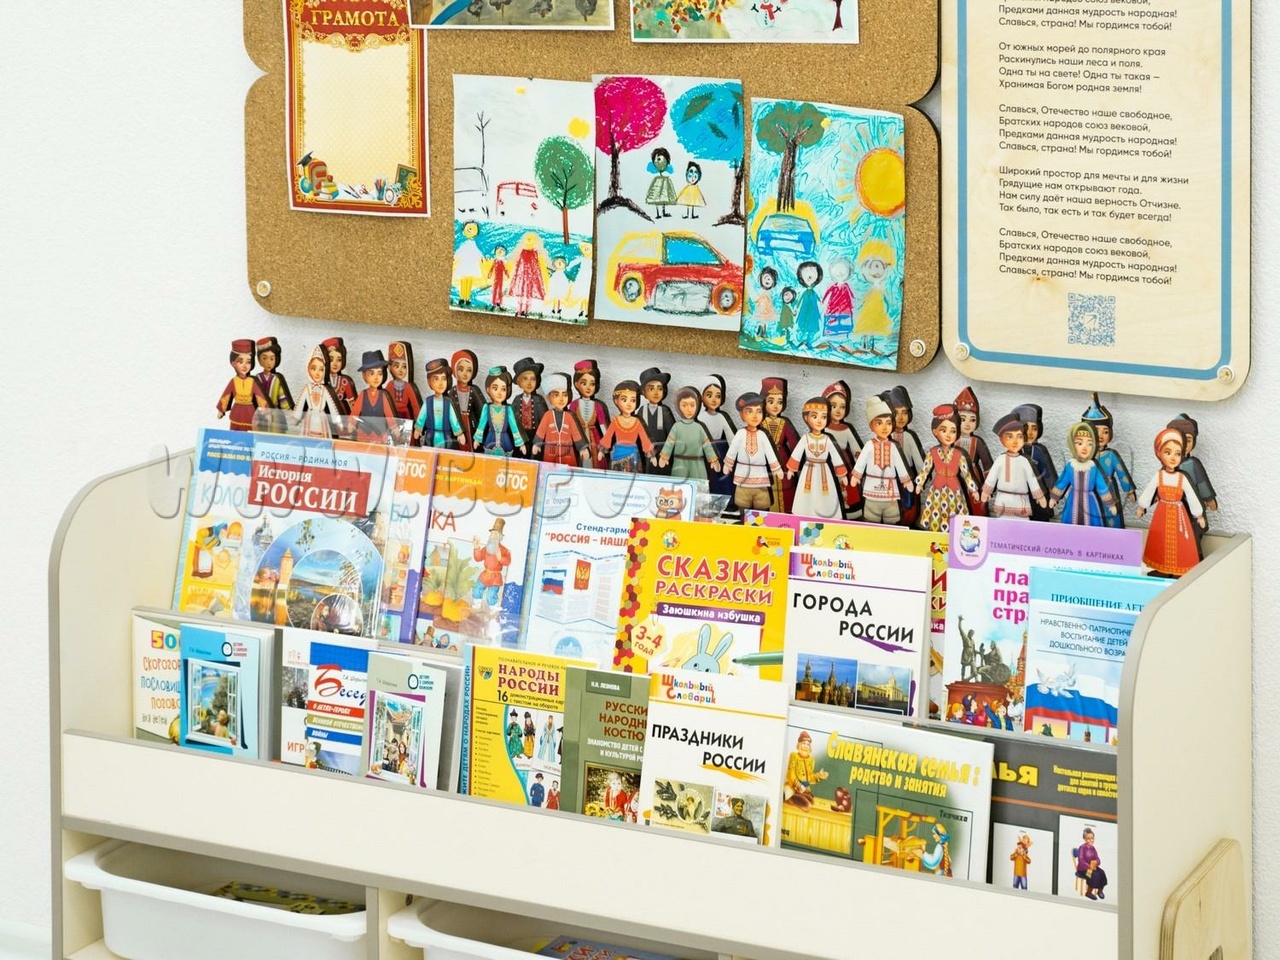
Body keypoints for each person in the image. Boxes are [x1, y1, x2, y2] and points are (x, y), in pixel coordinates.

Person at [1136, 427, 1206, 576]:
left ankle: (1178, 570)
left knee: (1180, 542)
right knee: (1161, 540)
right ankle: (1162, 569)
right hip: (1162, 514)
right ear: (1159, 454)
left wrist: (1198, 515)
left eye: (1177, 454)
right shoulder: (1159, 475)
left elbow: (1191, 495)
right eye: (1168, 453)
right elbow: (1149, 490)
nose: (1173, 458)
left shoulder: (1182, 478)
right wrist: (1142, 506)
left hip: (1179, 515)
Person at [915, 404, 981, 533]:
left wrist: (973, 490)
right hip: (936, 490)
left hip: (954, 491)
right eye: (943, 430)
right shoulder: (933, 452)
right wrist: (920, 483)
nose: (948, 435)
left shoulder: (959, 454)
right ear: (935, 431)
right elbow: (925, 470)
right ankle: (935, 534)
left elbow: (967, 474)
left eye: (953, 431)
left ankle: (954, 535)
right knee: (936, 513)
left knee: (955, 515)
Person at [850, 396, 914, 525]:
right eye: (879, 423)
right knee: (871, 516)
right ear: (871, 426)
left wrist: (906, 480)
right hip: (871, 487)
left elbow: (900, 465)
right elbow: (861, 461)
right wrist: (856, 476)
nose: (885, 427)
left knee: (892, 516)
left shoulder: (893, 446)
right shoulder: (869, 445)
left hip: (890, 491)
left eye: (888, 423)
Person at [786, 397, 848, 519]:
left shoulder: (827, 439)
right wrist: (791, 469)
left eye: (823, 417)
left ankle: (826, 516)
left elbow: (835, 456)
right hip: (808, 471)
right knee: (806, 494)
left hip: (824, 472)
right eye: (815, 417)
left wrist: (842, 475)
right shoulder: (805, 438)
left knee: (825, 495)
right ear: (806, 418)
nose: (819, 421)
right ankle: (805, 515)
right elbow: (797, 453)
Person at [1049, 421, 1119, 526]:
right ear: (1072, 445)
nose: (1084, 448)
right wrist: (1054, 497)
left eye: (1089, 443)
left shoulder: (1093, 467)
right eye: (1080, 443)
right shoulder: (1071, 466)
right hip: (1073, 500)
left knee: (1092, 523)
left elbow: (1102, 486)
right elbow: (1062, 482)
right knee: (1070, 522)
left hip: (1090, 502)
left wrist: (1110, 504)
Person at [1081, 392, 1135, 528]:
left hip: (1109, 490)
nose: (1100, 435)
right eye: (1095, 430)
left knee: (1110, 517)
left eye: (1105, 431)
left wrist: (1129, 490)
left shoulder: (1111, 455)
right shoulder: (1083, 455)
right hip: (1089, 490)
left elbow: (1122, 473)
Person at [723, 392, 783, 513]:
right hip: (742, 475)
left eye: (759, 411)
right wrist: (728, 464)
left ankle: (759, 523)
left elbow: (770, 453)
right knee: (742, 503)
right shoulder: (740, 433)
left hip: (761, 477)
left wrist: (776, 468)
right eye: (749, 411)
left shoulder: (762, 435)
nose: (755, 416)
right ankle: (744, 521)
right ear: (742, 415)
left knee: (762, 504)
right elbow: (733, 449)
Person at [981, 411, 1048, 520]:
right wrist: (986, 491)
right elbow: (992, 477)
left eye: (1019, 437)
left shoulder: (1024, 461)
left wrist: (1039, 496)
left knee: (1022, 523)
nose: (1015, 441)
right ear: (1002, 440)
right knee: (1002, 522)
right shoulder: (1000, 460)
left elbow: (1032, 480)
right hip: (1003, 500)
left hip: (1021, 501)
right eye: (1010, 437)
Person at [658, 387, 721, 480]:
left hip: (697, 463)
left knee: (698, 484)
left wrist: (713, 459)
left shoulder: (699, 427)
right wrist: (664, 456)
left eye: (692, 405)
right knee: (680, 484)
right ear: (678, 407)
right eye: (684, 405)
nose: (689, 409)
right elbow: (669, 443)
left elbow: (707, 445)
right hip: (680, 462)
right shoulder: (677, 427)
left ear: (697, 406)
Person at [761, 378, 800, 513]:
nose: (775, 406)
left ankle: (784, 514)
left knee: (786, 487)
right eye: (771, 402)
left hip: (782, 459)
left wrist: (795, 462)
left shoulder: (784, 423)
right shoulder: (760, 422)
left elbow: (794, 443)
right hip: (763, 460)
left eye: (780, 402)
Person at [532, 373, 589, 466]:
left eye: (564, 395)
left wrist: (582, 448)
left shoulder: (569, 416)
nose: (561, 399)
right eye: (556, 395)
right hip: (550, 452)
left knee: (568, 471)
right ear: (549, 398)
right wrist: (537, 444)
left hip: (567, 453)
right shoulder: (547, 415)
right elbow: (541, 431)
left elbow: (576, 433)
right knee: (550, 470)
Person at [600, 380, 655, 473]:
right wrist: (602, 451)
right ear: (616, 401)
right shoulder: (616, 420)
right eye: (624, 400)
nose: (629, 404)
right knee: (617, 474)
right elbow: (608, 437)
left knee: (632, 475)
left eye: (633, 400)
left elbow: (644, 439)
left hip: (632, 453)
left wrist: (651, 455)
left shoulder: (636, 421)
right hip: (618, 452)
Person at [1014, 403, 1056, 521]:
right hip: (1019, 493)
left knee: (1039, 518)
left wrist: (1053, 492)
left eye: (1035, 428)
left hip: (1039, 493)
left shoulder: (1039, 450)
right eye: (1026, 428)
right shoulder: (1014, 450)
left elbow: (1048, 473)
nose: (1030, 432)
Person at [472, 366, 527, 456]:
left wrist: (521, 444)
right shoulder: (487, 408)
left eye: (503, 389)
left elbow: (514, 427)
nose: (499, 393)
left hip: (505, 440)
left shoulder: (508, 409)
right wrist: (477, 439)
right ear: (488, 389)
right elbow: (481, 425)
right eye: (495, 388)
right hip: (490, 439)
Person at [216, 339, 268, 431]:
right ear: (233, 363)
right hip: (237, 411)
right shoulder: (234, 381)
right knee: (235, 432)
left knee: (250, 431)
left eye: (248, 362)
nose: (245, 366)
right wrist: (221, 410)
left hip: (250, 411)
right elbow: (226, 395)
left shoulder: (252, 381)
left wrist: (266, 412)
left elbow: (260, 398)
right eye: (240, 362)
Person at [348, 349, 399, 444]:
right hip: (364, 433)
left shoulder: (383, 396)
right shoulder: (362, 395)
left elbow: (389, 415)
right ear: (364, 376)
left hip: (380, 434)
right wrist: (351, 423)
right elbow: (355, 412)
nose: (376, 378)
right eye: (371, 373)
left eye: (379, 373)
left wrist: (394, 427)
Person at [699, 375, 737, 500]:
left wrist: (736, 451)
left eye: (718, 396)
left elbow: (730, 436)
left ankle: (725, 501)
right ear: (702, 397)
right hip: (704, 450)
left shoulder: (721, 417)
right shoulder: (700, 417)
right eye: (709, 395)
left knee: (722, 478)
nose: (714, 400)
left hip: (721, 450)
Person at [413, 358, 465, 449]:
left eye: (443, 379)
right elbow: (422, 416)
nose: (440, 383)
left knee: (446, 455)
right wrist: (418, 428)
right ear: (429, 382)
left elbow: (454, 419)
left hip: (446, 436)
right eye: (436, 379)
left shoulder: (448, 402)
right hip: (430, 435)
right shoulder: (428, 401)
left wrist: (459, 433)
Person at [293, 344, 343, 439]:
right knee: (307, 438)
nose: (317, 373)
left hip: (322, 418)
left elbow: (331, 406)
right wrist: (295, 418)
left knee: (322, 438)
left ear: (326, 371)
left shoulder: (325, 390)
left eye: (321, 369)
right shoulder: (307, 388)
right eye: (313, 368)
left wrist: (337, 421)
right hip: (309, 418)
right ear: (308, 369)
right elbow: (300, 405)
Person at [569, 360, 609, 466]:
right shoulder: (574, 404)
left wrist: (607, 443)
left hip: (595, 438)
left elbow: (603, 425)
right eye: (584, 383)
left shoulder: (598, 405)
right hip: (578, 438)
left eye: (592, 384)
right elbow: (571, 424)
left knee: (597, 463)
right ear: (576, 384)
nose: (588, 387)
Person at [638, 368, 675, 476]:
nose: (656, 393)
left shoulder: (665, 411)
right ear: (644, 392)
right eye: (651, 389)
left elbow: (672, 434)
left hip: (664, 453)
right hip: (646, 453)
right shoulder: (641, 411)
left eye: (659, 388)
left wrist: (667, 453)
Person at [954, 386, 993, 486]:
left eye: (972, 420)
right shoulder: (952, 440)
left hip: (973, 476)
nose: (967, 424)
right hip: (955, 476)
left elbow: (987, 464)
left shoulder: (977, 442)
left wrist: (988, 485)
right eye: (963, 419)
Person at [511, 357, 548, 456]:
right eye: (525, 379)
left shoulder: (538, 400)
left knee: (535, 455)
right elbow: (512, 419)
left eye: (533, 379)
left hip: (536, 435)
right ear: (519, 382)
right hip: (520, 435)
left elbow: (544, 420)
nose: (529, 383)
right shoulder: (517, 399)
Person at [472, 518, 511, 611]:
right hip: (485, 574)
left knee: (491, 594)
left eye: (495, 534)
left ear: (500, 537)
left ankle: (493, 607)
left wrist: (500, 557)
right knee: (477, 588)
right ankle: (477, 604)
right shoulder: (487, 548)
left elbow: (507, 562)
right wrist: (476, 547)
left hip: (495, 577)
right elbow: (478, 558)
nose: (492, 536)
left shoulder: (504, 550)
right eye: (492, 533)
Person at [447, 349, 482, 451]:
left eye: (469, 370)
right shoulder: (453, 391)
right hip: (457, 424)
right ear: (454, 370)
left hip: (471, 424)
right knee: (457, 447)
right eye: (461, 369)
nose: (465, 374)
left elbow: (481, 410)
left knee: (471, 447)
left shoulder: (474, 390)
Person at [783, 730, 827, 808]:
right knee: (804, 804)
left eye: (808, 744)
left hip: (805, 789)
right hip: (793, 787)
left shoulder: (811, 760)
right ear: (799, 745)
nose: (805, 746)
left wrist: (819, 776)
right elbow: (790, 775)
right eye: (803, 743)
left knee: (811, 801)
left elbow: (810, 778)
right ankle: (792, 798)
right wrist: (798, 785)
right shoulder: (794, 756)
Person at [385, 341, 422, 425]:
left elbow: (415, 406)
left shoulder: (408, 386)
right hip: (392, 416)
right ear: (390, 367)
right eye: (396, 366)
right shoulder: (390, 385)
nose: (400, 370)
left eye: (404, 366)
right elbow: (384, 402)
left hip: (405, 417)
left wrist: (418, 423)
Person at [253, 336, 293, 412]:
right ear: (259, 360)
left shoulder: (276, 379)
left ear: (276, 360)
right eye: (264, 358)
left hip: (274, 412)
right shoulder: (257, 378)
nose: (268, 362)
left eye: (272, 359)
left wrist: (287, 412)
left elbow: (282, 398)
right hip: (260, 412)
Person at [452, 220, 486, 307]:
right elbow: (459, 252)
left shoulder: (473, 244)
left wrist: (482, 258)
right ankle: (462, 297)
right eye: (469, 228)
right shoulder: (465, 244)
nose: (471, 230)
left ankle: (467, 298)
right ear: (464, 231)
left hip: (471, 265)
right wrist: (455, 257)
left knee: (469, 281)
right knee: (464, 281)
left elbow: (478, 253)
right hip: (464, 265)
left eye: (473, 229)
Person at [321, 336, 357, 415]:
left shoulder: (345, 382)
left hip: (342, 414)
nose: (335, 363)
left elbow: (353, 404)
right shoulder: (321, 382)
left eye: (339, 360)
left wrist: (354, 419)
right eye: (331, 359)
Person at [645, 147, 676, 218]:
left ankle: (663, 212)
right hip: (657, 189)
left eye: (659, 159)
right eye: (655, 160)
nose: (656, 162)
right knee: (656, 199)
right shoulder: (656, 179)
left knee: (664, 199)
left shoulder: (667, 178)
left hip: (665, 187)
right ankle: (658, 213)